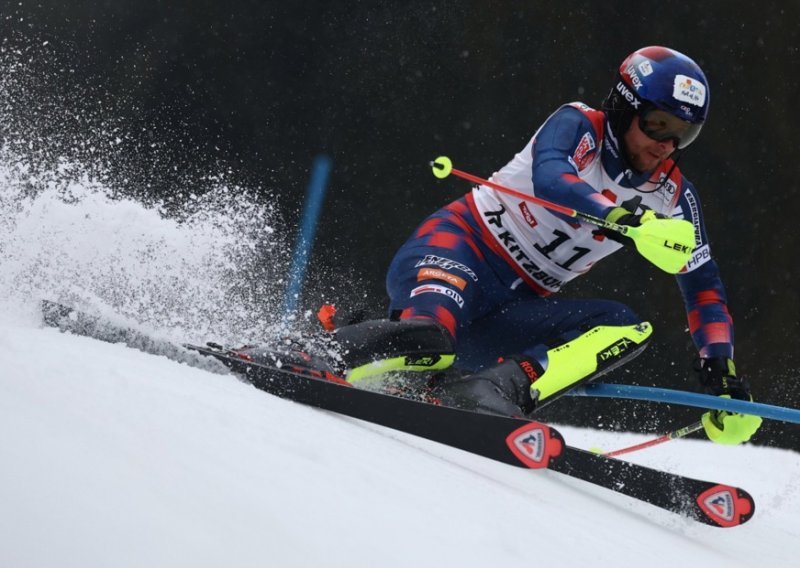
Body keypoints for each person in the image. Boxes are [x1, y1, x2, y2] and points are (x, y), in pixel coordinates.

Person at [325, 46, 761, 446]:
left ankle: (488, 390)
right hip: (459, 248)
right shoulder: (578, 124)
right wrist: (619, 219)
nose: (666, 145)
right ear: (625, 108)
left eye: (683, 133)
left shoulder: (675, 198)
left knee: (625, 328)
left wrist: (722, 373)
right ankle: (319, 352)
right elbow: (552, 178)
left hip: (511, 310)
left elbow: (703, 288)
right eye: (658, 124)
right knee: (431, 339)